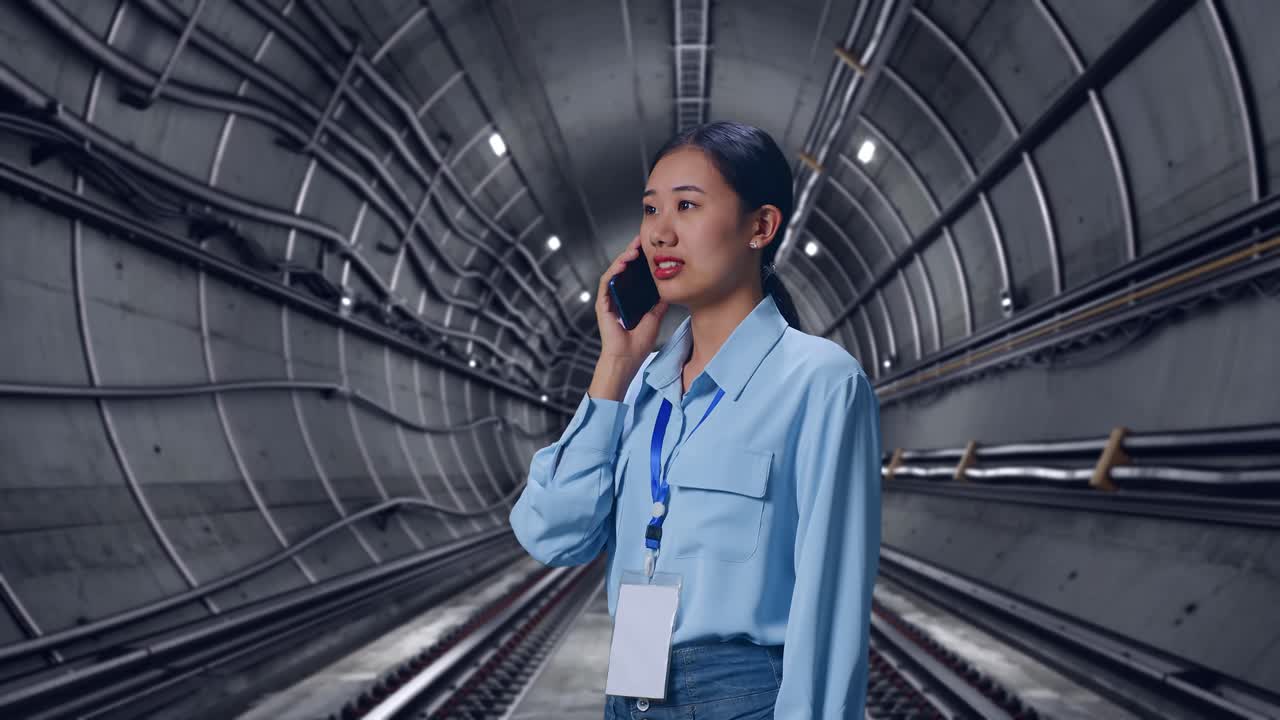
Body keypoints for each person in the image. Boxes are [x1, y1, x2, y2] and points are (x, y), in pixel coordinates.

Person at [509, 121, 881, 719]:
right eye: (651, 209)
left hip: (743, 700)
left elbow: (832, 605)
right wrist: (615, 364)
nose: (660, 232)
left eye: (687, 206)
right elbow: (551, 535)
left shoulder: (820, 383)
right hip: (630, 693)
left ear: (760, 227)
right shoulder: (641, 391)